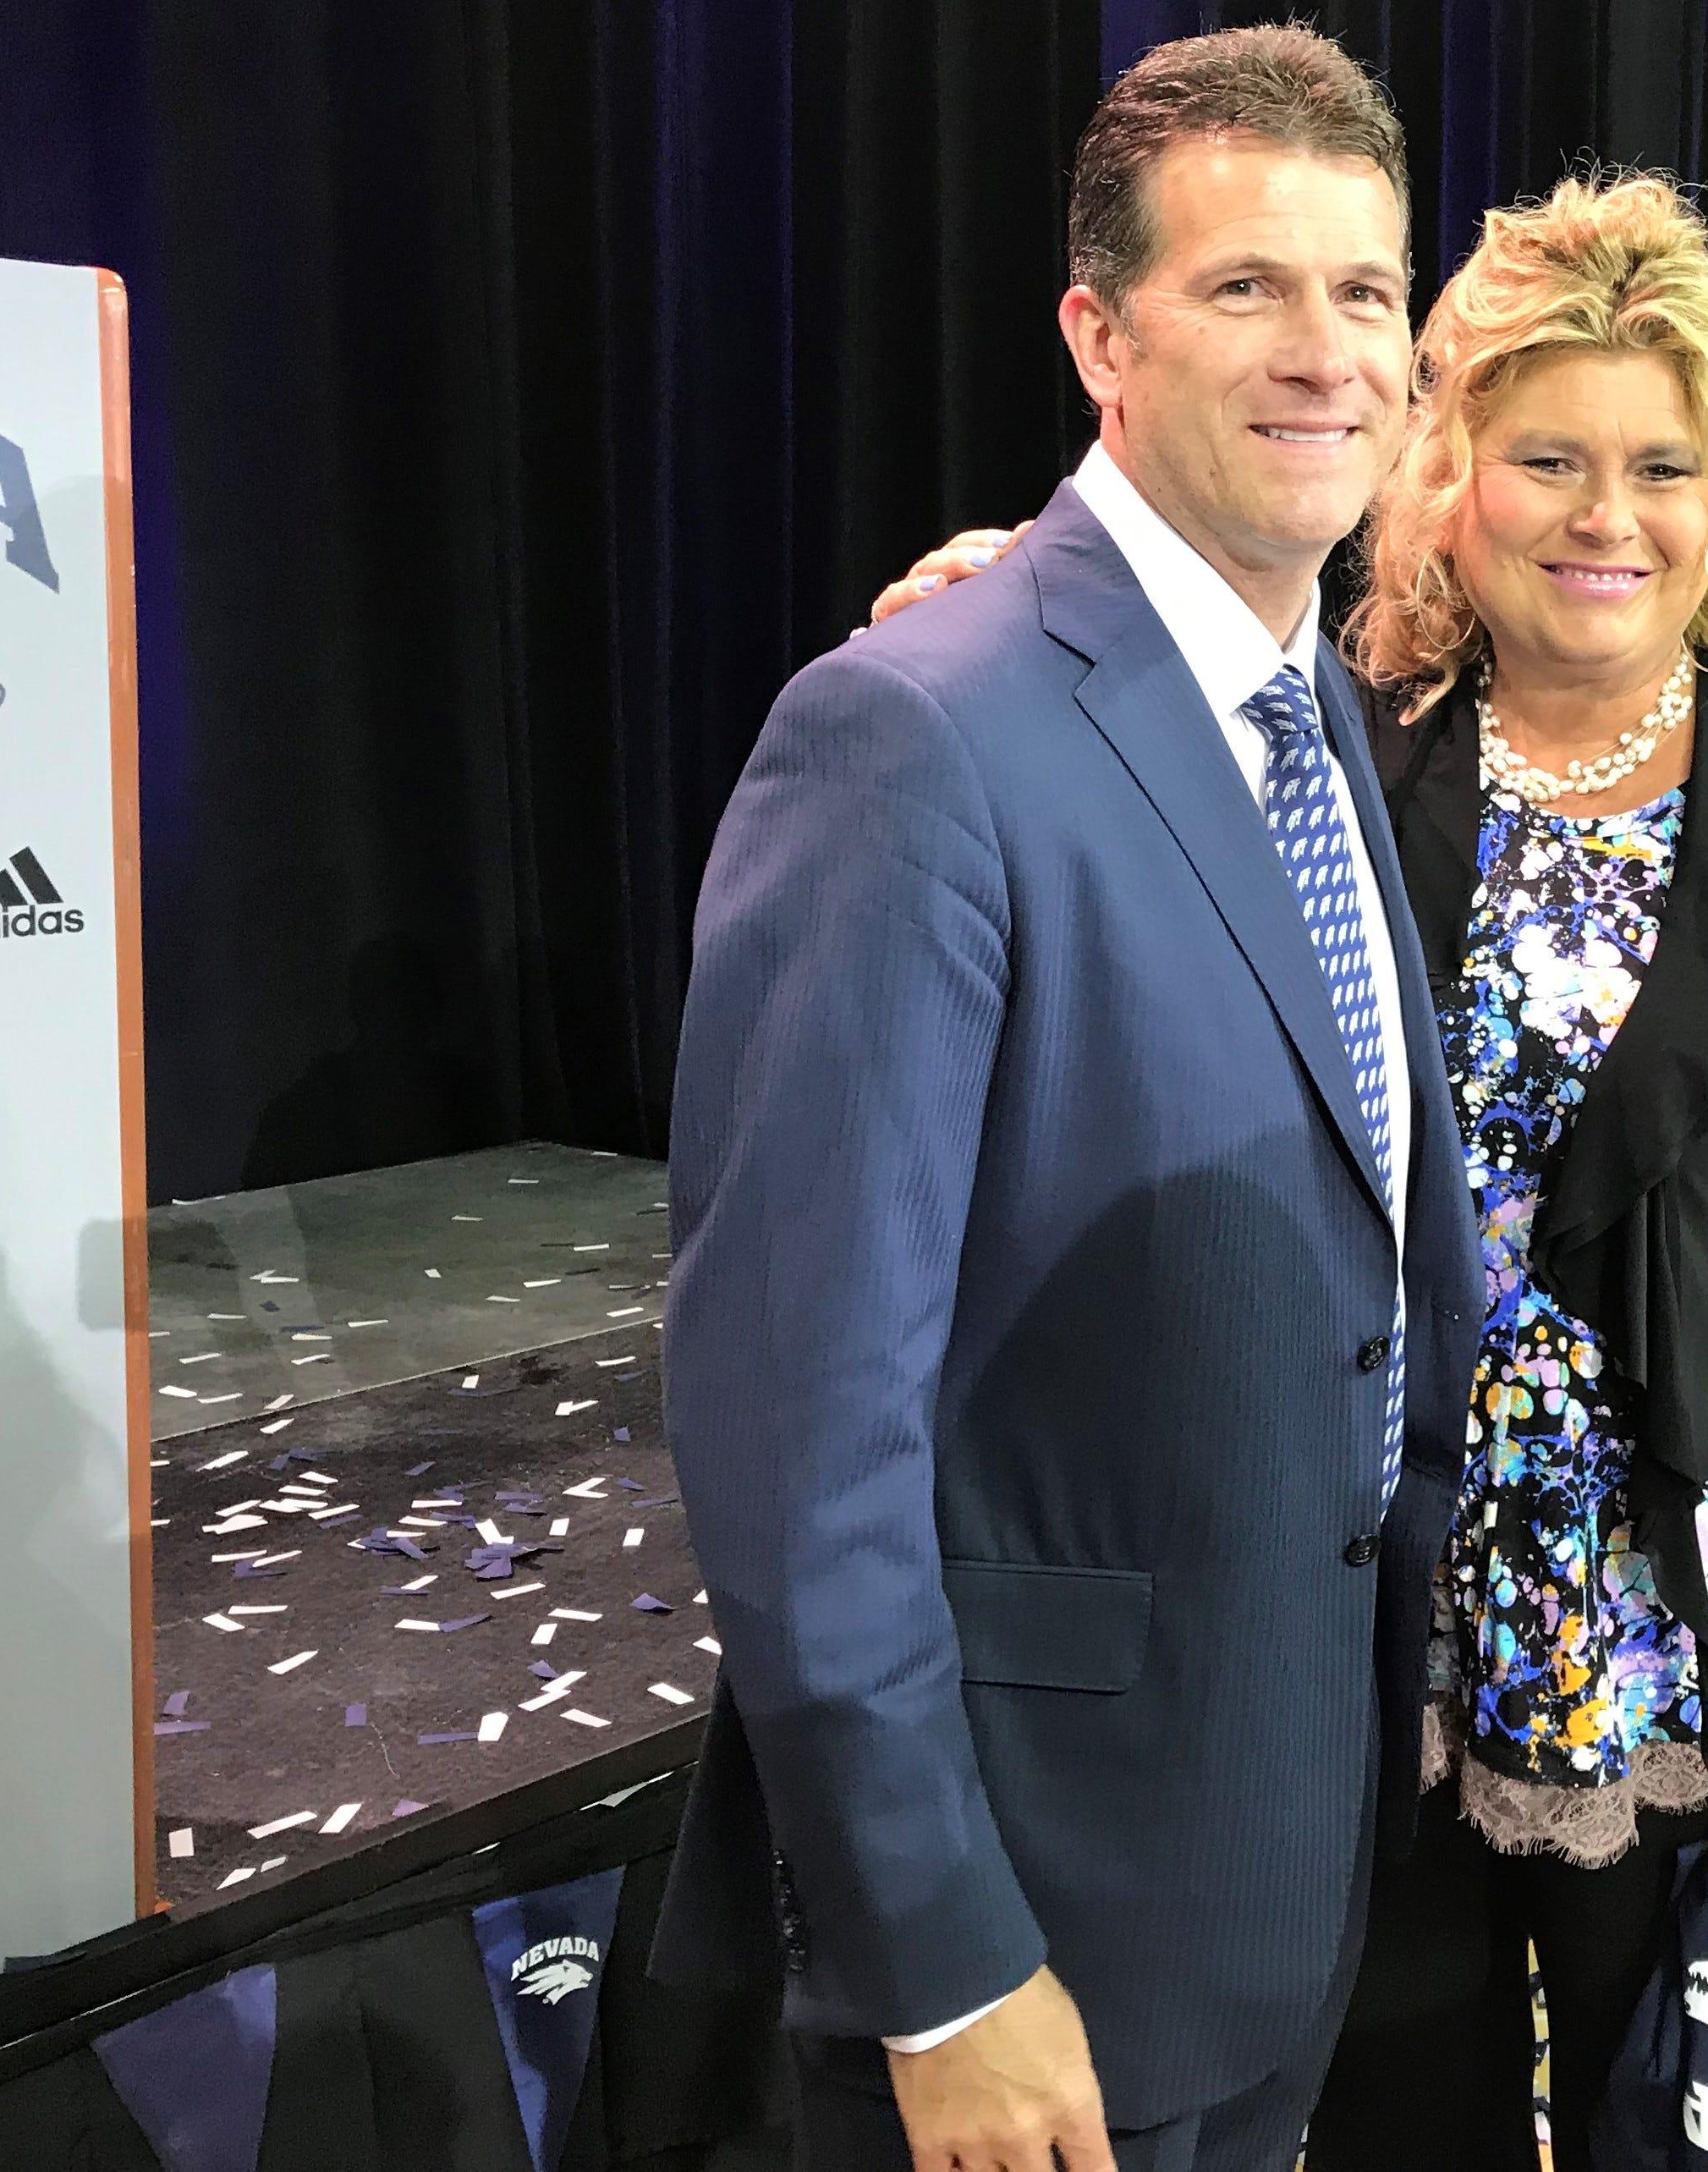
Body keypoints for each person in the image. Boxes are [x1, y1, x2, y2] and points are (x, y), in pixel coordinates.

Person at [875, 173, 1708, 2170]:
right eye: (1545, 453)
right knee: (1402, 2126)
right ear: (1444, 474)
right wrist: (991, 607)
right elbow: (1090, 715)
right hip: (1365, 1651)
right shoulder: (1328, 758)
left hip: (1678, 1659)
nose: (1604, 512)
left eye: (1660, 464)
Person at [649, 30, 1483, 2172]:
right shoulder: (910, 737)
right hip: (1029, 1946)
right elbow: (796, 1423)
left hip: (1271, 1876)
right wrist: (938, 1958)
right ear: (1097, 337)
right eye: (1246, 289)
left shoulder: (1309, 712)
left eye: (1366, 293)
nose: (1324, 354)